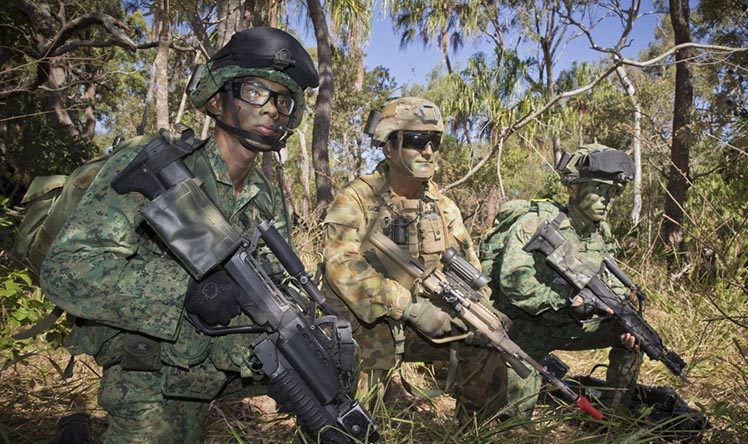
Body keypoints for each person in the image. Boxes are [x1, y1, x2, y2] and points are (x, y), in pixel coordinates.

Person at [40, 27, 319, 442]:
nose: (273, 110)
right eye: (256, 92)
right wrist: (184, 290)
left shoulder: (267, 200)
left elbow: (265, 294)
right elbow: (65, 271)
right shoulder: (156, 165)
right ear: (216, 99)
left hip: (202, 374)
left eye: (283, 99)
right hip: (144, 374)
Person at [321, 97, 507, 420]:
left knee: (487, 351)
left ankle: (475, 432)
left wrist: (481, 312)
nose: (429, 151)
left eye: (434, 141)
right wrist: (408, 306)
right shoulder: (358, 197)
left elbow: (470, 266)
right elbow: (340, 263)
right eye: (417, 140)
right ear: (389, 147)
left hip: (428, 323)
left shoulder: (443, 206)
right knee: (353, 419)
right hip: (367, 328)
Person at [493, 143, 643, 417]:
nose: (606, 199)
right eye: (598, 190)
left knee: (634, 338)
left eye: (612, 192)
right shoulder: (537, 223)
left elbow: (611, 281)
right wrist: (566, 300)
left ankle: (613, 419)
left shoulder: (599, 234)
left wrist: (622, 317)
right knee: (514, 421)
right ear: (574, 187)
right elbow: (513, 283)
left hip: (570, 325)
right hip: (526, 330)